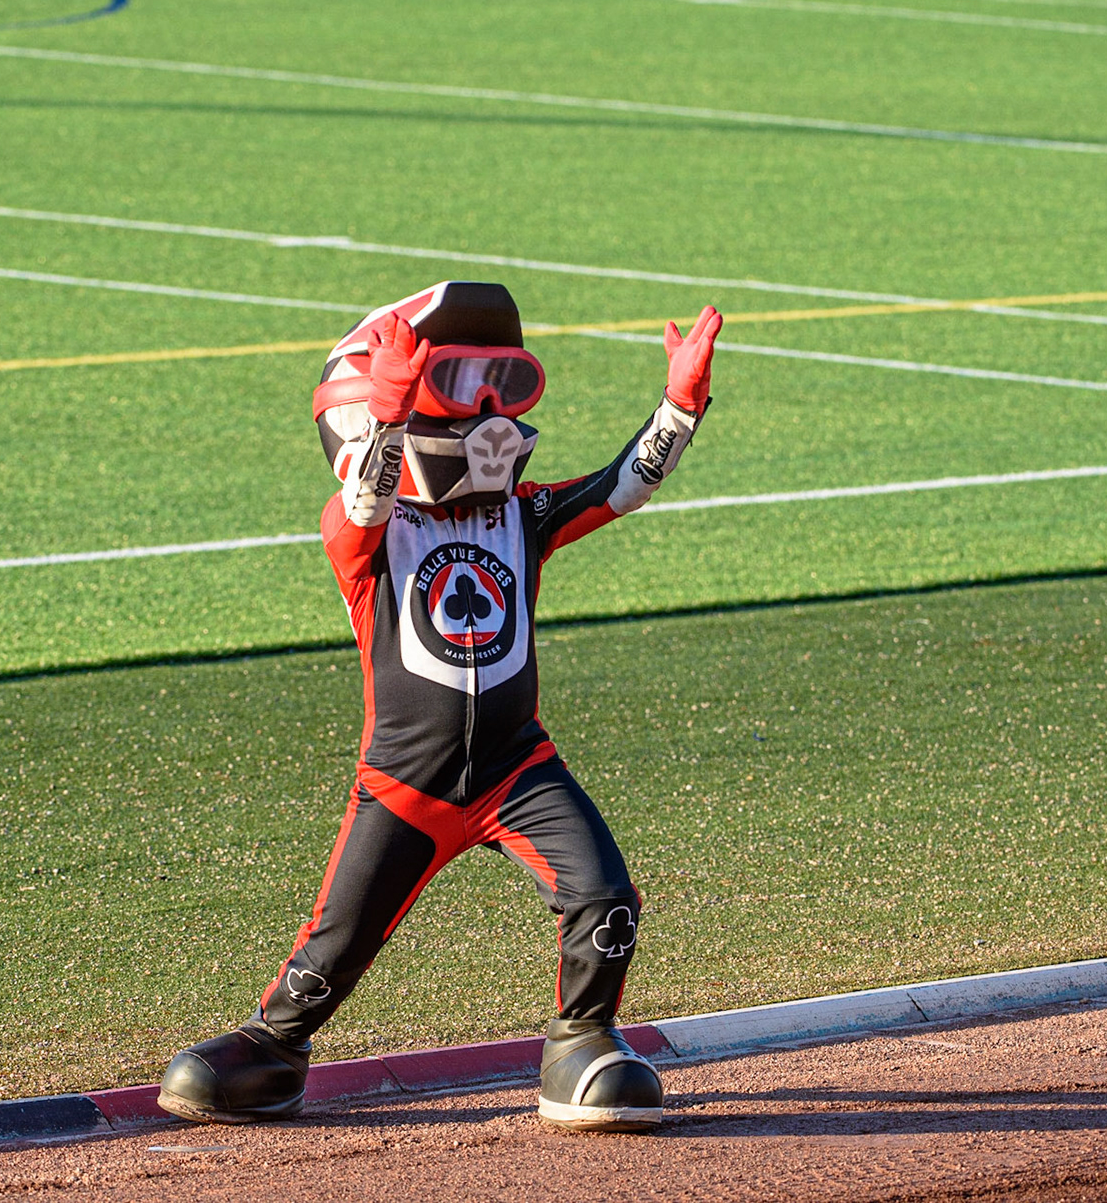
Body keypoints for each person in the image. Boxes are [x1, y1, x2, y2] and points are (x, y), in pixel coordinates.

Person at [159, 281, 721, 1133]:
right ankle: (273, 1051)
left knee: (606, 897)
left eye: (498, 387)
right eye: (457, 389)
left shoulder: (523, 515)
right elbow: (365, 502)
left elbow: (624, 485)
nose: (489, 416)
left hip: (517, 769)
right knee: (336, 945)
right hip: (404, 784)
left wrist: (679, 406)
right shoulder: (366, 535)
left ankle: (582, 1045)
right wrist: (389, 420)